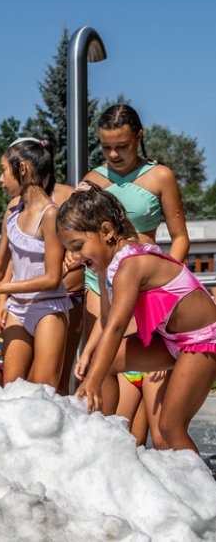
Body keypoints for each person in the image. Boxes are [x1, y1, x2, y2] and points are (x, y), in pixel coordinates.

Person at [58, 181, 216, 452]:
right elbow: (108, 320)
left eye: (77, 245)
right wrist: (96, 270)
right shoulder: (113, 266)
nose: (73, 256)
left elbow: (117, 326)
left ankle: (204, 493)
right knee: (104, 363)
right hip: (172, 341)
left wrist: (92, 380)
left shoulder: (131, 265)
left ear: (106, 231)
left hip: (202, 341)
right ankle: (104, 439)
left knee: (170, 427)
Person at [79, 104, 188, 436]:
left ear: (138, 138)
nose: (113, 154)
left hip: (146, 283)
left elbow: (180, 238)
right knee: (100, 359)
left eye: (122, 146)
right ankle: (105, 440)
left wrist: (168, 281)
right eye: (106, 146)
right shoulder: (92, 180)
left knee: (144, 376)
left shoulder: (160, 176)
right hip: (99, 281)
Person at [0, 139, 70, 388]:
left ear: (21, 168)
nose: (1, 180)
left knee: (43, 392)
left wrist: (0, 288)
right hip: (18, 310)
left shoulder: (51, 214)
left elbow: (52, 278)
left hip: (48, 309)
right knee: (11, 390)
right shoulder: (11, 212)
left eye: (3, 170)